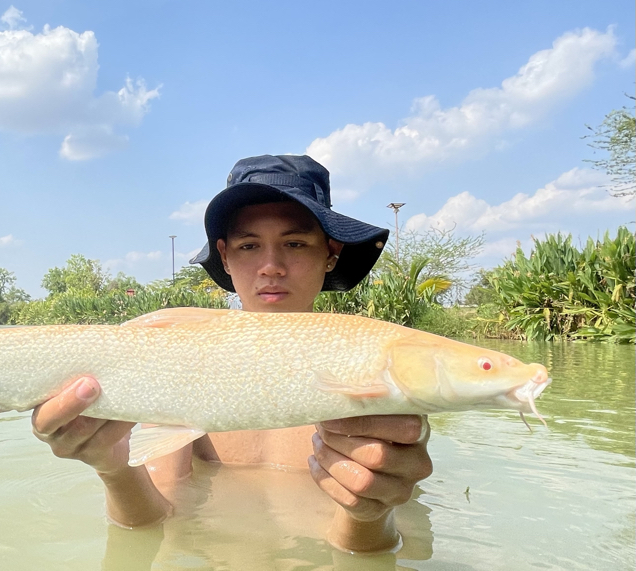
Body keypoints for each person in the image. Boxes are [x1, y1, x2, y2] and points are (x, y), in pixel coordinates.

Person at [29, 155, 433, 553]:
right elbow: (155, 525)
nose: (271, 266)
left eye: (294, 243)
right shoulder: (184, 363)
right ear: (224, 255)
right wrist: (112, 467)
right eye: (249, 245)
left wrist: (369, 514)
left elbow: (382, 544)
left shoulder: (370, 373)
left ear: (330, 253)